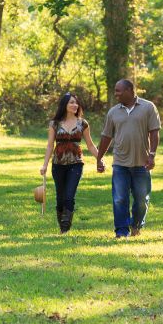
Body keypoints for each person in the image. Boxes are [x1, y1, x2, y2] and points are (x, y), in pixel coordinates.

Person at [96, 79, 160, 238]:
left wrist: (152, 155)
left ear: (130, 90)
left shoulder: (148, 107)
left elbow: (154, 132)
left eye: (118, 91)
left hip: (142, 163)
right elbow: (106, 136)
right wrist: (99, 158)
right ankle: (121, 232)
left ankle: (136, 225)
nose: (115, 94)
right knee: (119, 199)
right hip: (120, 163)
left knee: (141, 200)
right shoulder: (113, 112)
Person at [40, 92, 98, 234]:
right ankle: (62, 225)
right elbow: (49, 145)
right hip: (58, 164)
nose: (75, 105)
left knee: (69, 196)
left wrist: (100, 158)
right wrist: (45, 165)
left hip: (76, 163)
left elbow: (90, 145)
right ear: (64, 105)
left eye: (76, 102)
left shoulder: (83, 124)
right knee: (60, 198)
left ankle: (65, 228)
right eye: (71, 102)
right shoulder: (54, 123)